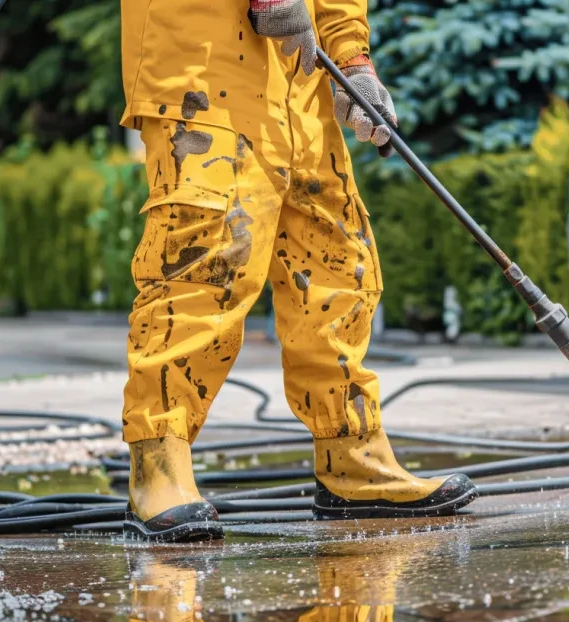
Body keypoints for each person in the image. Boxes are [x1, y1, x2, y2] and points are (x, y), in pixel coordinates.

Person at [118, 0, 477, 542]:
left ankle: (351, 455)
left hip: (298, 81)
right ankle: (157, 466)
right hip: (202, 62)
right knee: (204, 270)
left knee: (339, 267)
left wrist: (352, 58)